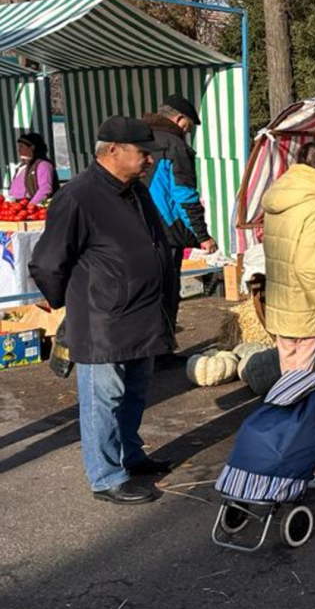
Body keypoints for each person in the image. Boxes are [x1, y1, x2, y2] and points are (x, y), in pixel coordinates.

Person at [29, 117, 178, 505]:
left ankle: (130, 456)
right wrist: (70, 302)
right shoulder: (78, 196)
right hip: (104, 319)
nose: (150, 160)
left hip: (141, 316)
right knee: (104, 399)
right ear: (113, 150)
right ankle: (106, 476)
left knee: (134, 393)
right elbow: (47, 262)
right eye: (143, 153)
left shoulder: (135, 191)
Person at [261, 140, 315, 489]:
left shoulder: (278, 198)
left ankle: (312, 450)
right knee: (305, 390)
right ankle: (306, 464)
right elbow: (308, 267)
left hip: (282, 304)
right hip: (308, 309)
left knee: (290, 383)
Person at [142, 96, 216, 327]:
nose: (187, 131)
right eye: (188, 126)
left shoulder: (137, 138)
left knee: (142, 292)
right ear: (179, 119)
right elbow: (184, 195)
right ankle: (162, 352)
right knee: (166, 290)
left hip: (134, 226)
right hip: (165, 229)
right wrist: (202, 235)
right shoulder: (175, 145)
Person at [7, 133, 56, 205]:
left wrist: (31, 206)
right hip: (16, 208)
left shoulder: (43, 165)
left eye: (21, 147)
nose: (18, 150)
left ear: (32, 147)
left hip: (30, 209)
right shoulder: (22, 166)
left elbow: (45, 189)